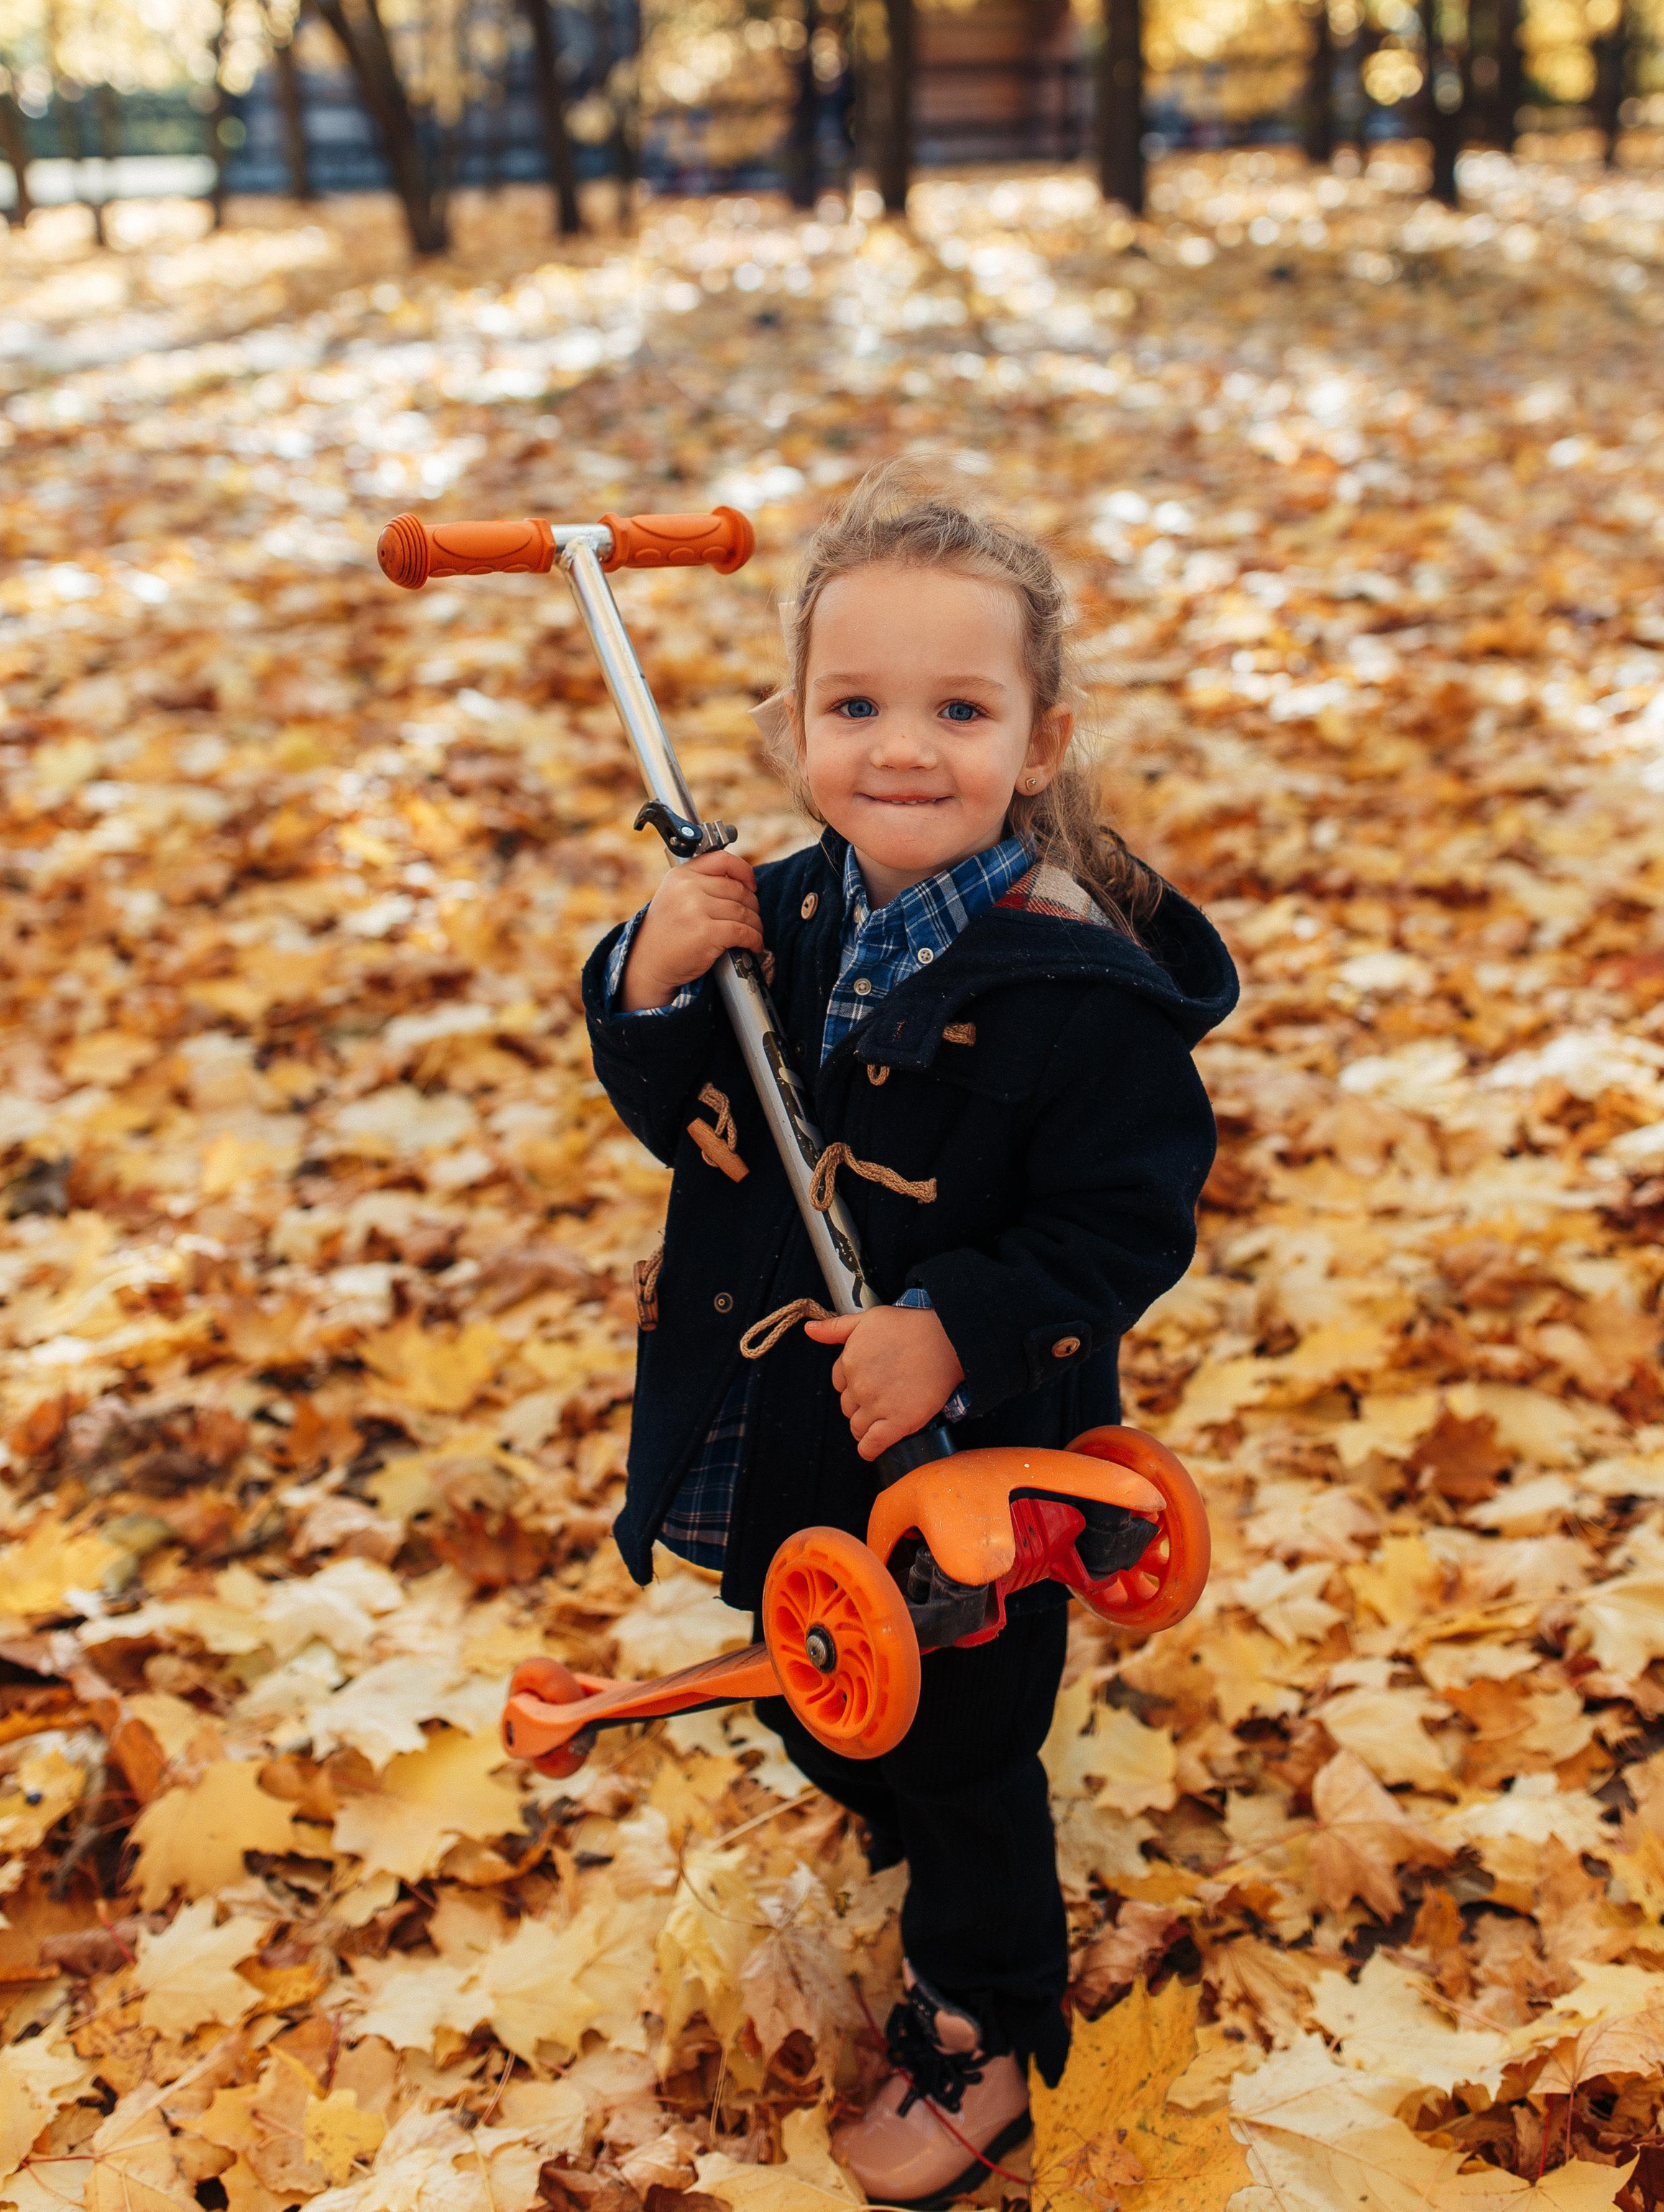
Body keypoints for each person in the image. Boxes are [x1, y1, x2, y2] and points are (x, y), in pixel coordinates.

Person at [582, 474, 1236, 2206]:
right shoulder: (772, 916)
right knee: (833, 1692)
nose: (900, 749)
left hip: (968, 1457)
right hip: (792, 1416)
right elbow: (694, 1124)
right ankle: (880, 1788)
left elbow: (1123, 1220)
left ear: (1038, 740)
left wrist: (958, 1326)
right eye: (854, 706)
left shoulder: (1072, 983)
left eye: (958, 709)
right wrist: (650, 980)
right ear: (793, 726)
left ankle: (987, 2020)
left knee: (960, 1751)